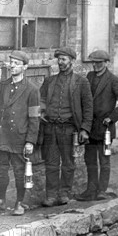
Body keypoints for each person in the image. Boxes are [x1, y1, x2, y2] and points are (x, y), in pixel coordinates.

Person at [39, 47, 93, 207]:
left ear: (71, 61)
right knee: (51, 163)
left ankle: (64, 193)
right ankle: (50, 195)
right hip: (51, 128)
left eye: (64, 59)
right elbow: (41, 98)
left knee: (68, 163)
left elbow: (88, 106)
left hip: (68, 128)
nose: (60, 62)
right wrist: (41, 110)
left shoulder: (81, 82)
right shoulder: (50, 81)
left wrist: (85, 129)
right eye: (59, 59)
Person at [75, 50, 118, 201]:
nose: (95, 65)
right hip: (90, 127)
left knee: (104, 160)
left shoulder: (113, 80)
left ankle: (101, 191)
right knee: (90, 160)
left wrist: (111, 118)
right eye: (93, 62)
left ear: (106, 63)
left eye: (99, 62)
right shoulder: (89, 77)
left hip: (105, 130)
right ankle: (90, 190)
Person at [0, 50, 40, 216]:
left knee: (19, 171)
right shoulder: (3, 86)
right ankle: (1, 201)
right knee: (1, 170)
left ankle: (20, 202)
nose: (12, 65)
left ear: (24, 67)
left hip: (19, 137)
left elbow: (34, 118)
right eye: (11, 62)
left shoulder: (32, 90)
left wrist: (30, 141)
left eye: (16, 63)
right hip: (1, 135)